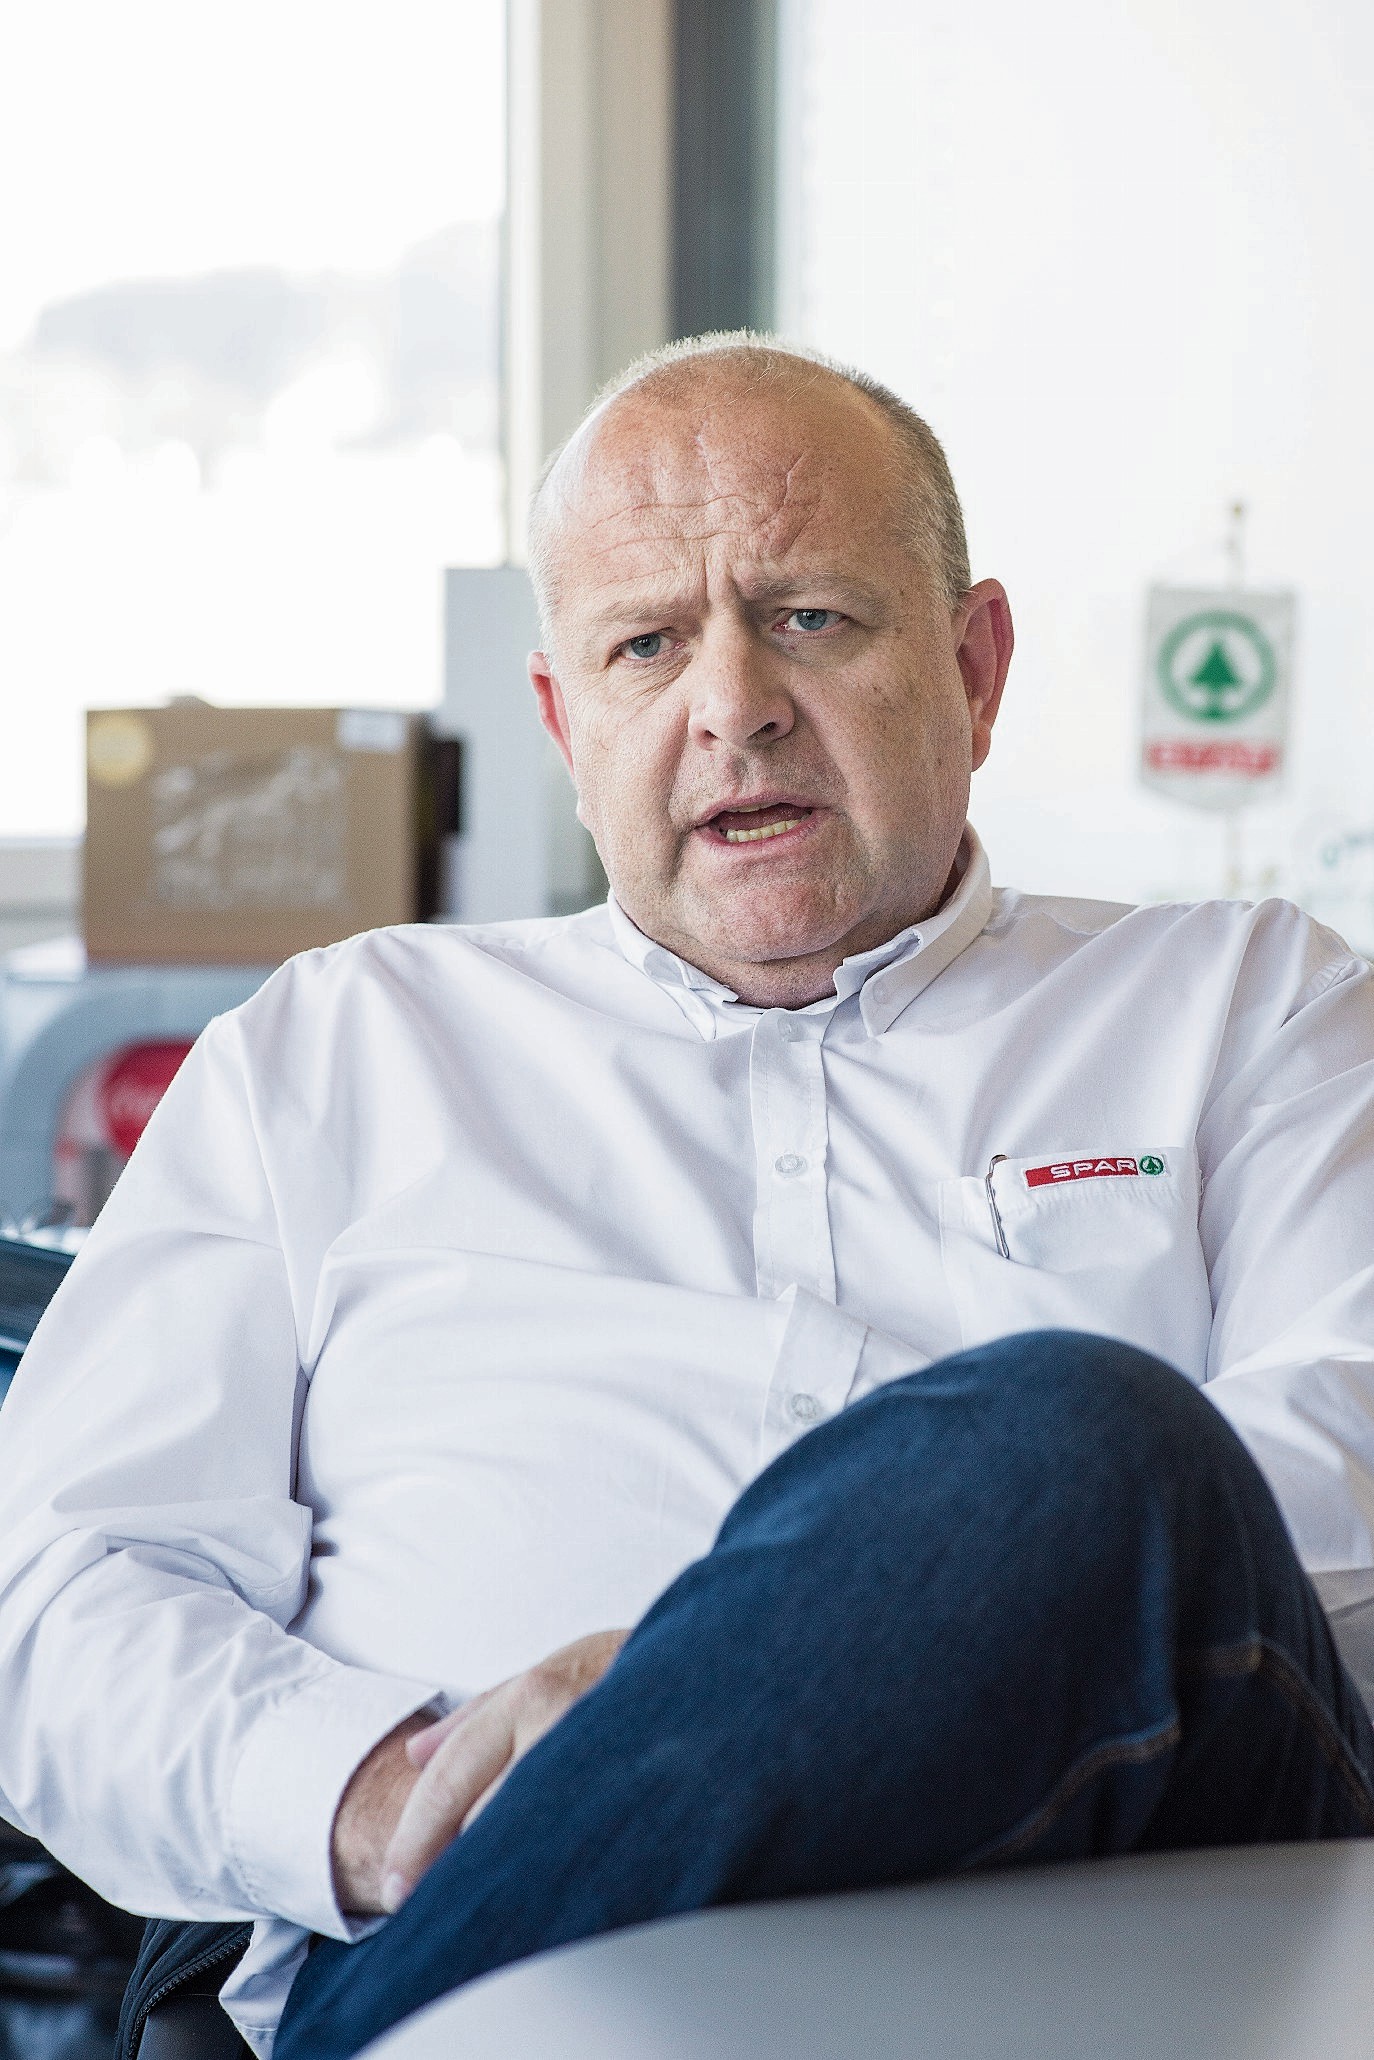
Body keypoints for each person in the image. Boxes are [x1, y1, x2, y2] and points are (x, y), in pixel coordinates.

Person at [2, 333, 1374, 2060]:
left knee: (1090, 1448)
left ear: (972, 667)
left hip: (1113, 1950)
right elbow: (61, 1597)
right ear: (565, 724)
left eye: (809, 615)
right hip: (479, 1953)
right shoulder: (339, 1047)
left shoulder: (1248, 1004)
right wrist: (375, 1792)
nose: (732, 704)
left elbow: (1336, 1492)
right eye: (646, 644)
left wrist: (725, 1684)